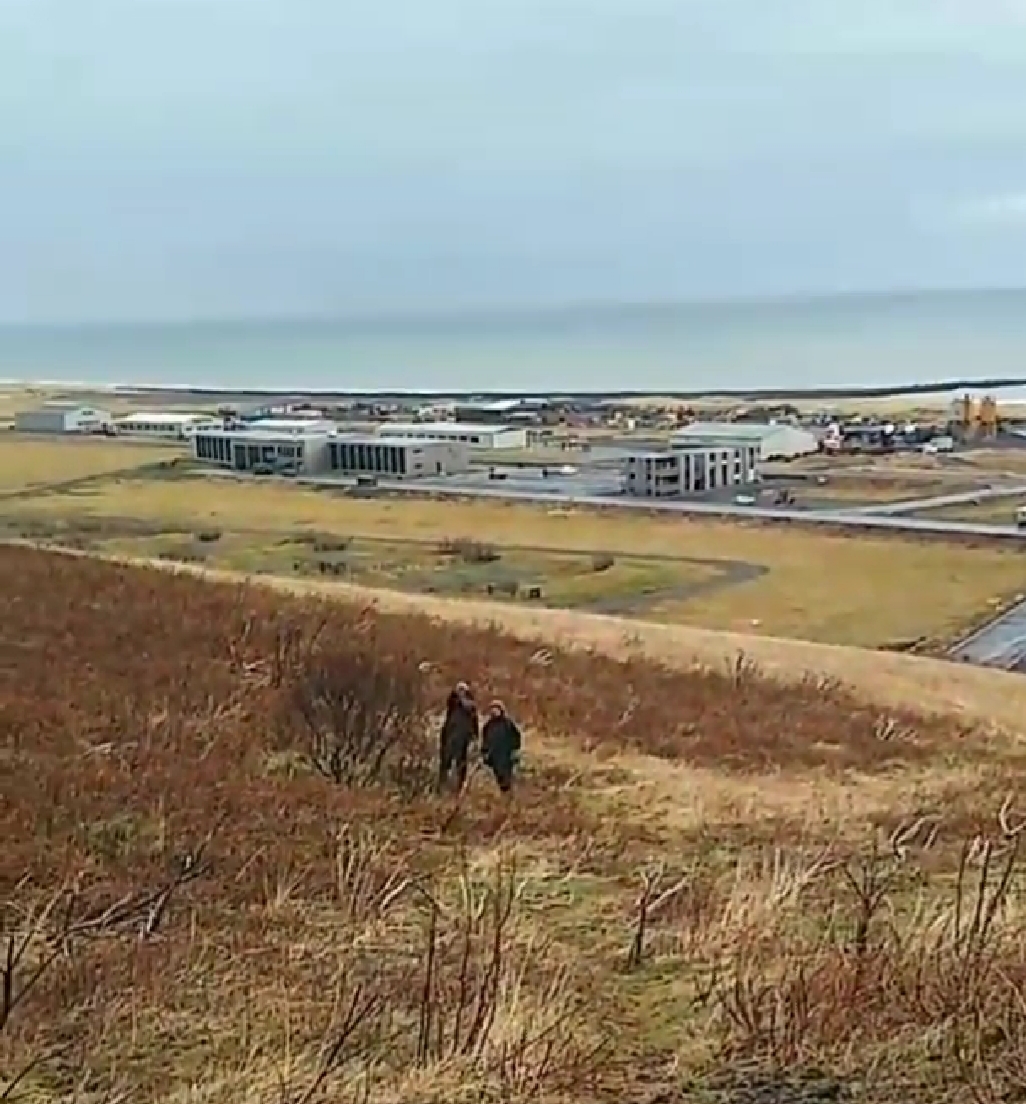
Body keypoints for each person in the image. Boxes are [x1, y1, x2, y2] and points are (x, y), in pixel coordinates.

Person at [438, 681, 479, 793]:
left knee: (461, 764)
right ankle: (442, 786)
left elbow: (474, 721)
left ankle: (459, 787)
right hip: (450, 736)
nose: (460, 692)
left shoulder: (470, 705)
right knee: (445, 761)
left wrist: (475, 737)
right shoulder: (452, 705)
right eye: (459, 689)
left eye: (462, 689)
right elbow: (447, 719)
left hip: (463, 738)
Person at [481, 700, 522, 794]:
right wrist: (484, 752)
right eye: (492, 709)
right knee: (498, 776)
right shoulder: (488, 725)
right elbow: (485, 740)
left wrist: (515, 750)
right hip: (494, 756)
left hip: (506, 754)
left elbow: (516, 737)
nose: (494, 711)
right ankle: (503, 793)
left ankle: (508, 793)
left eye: (496, 708)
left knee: (506, 776)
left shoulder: (507, 724)